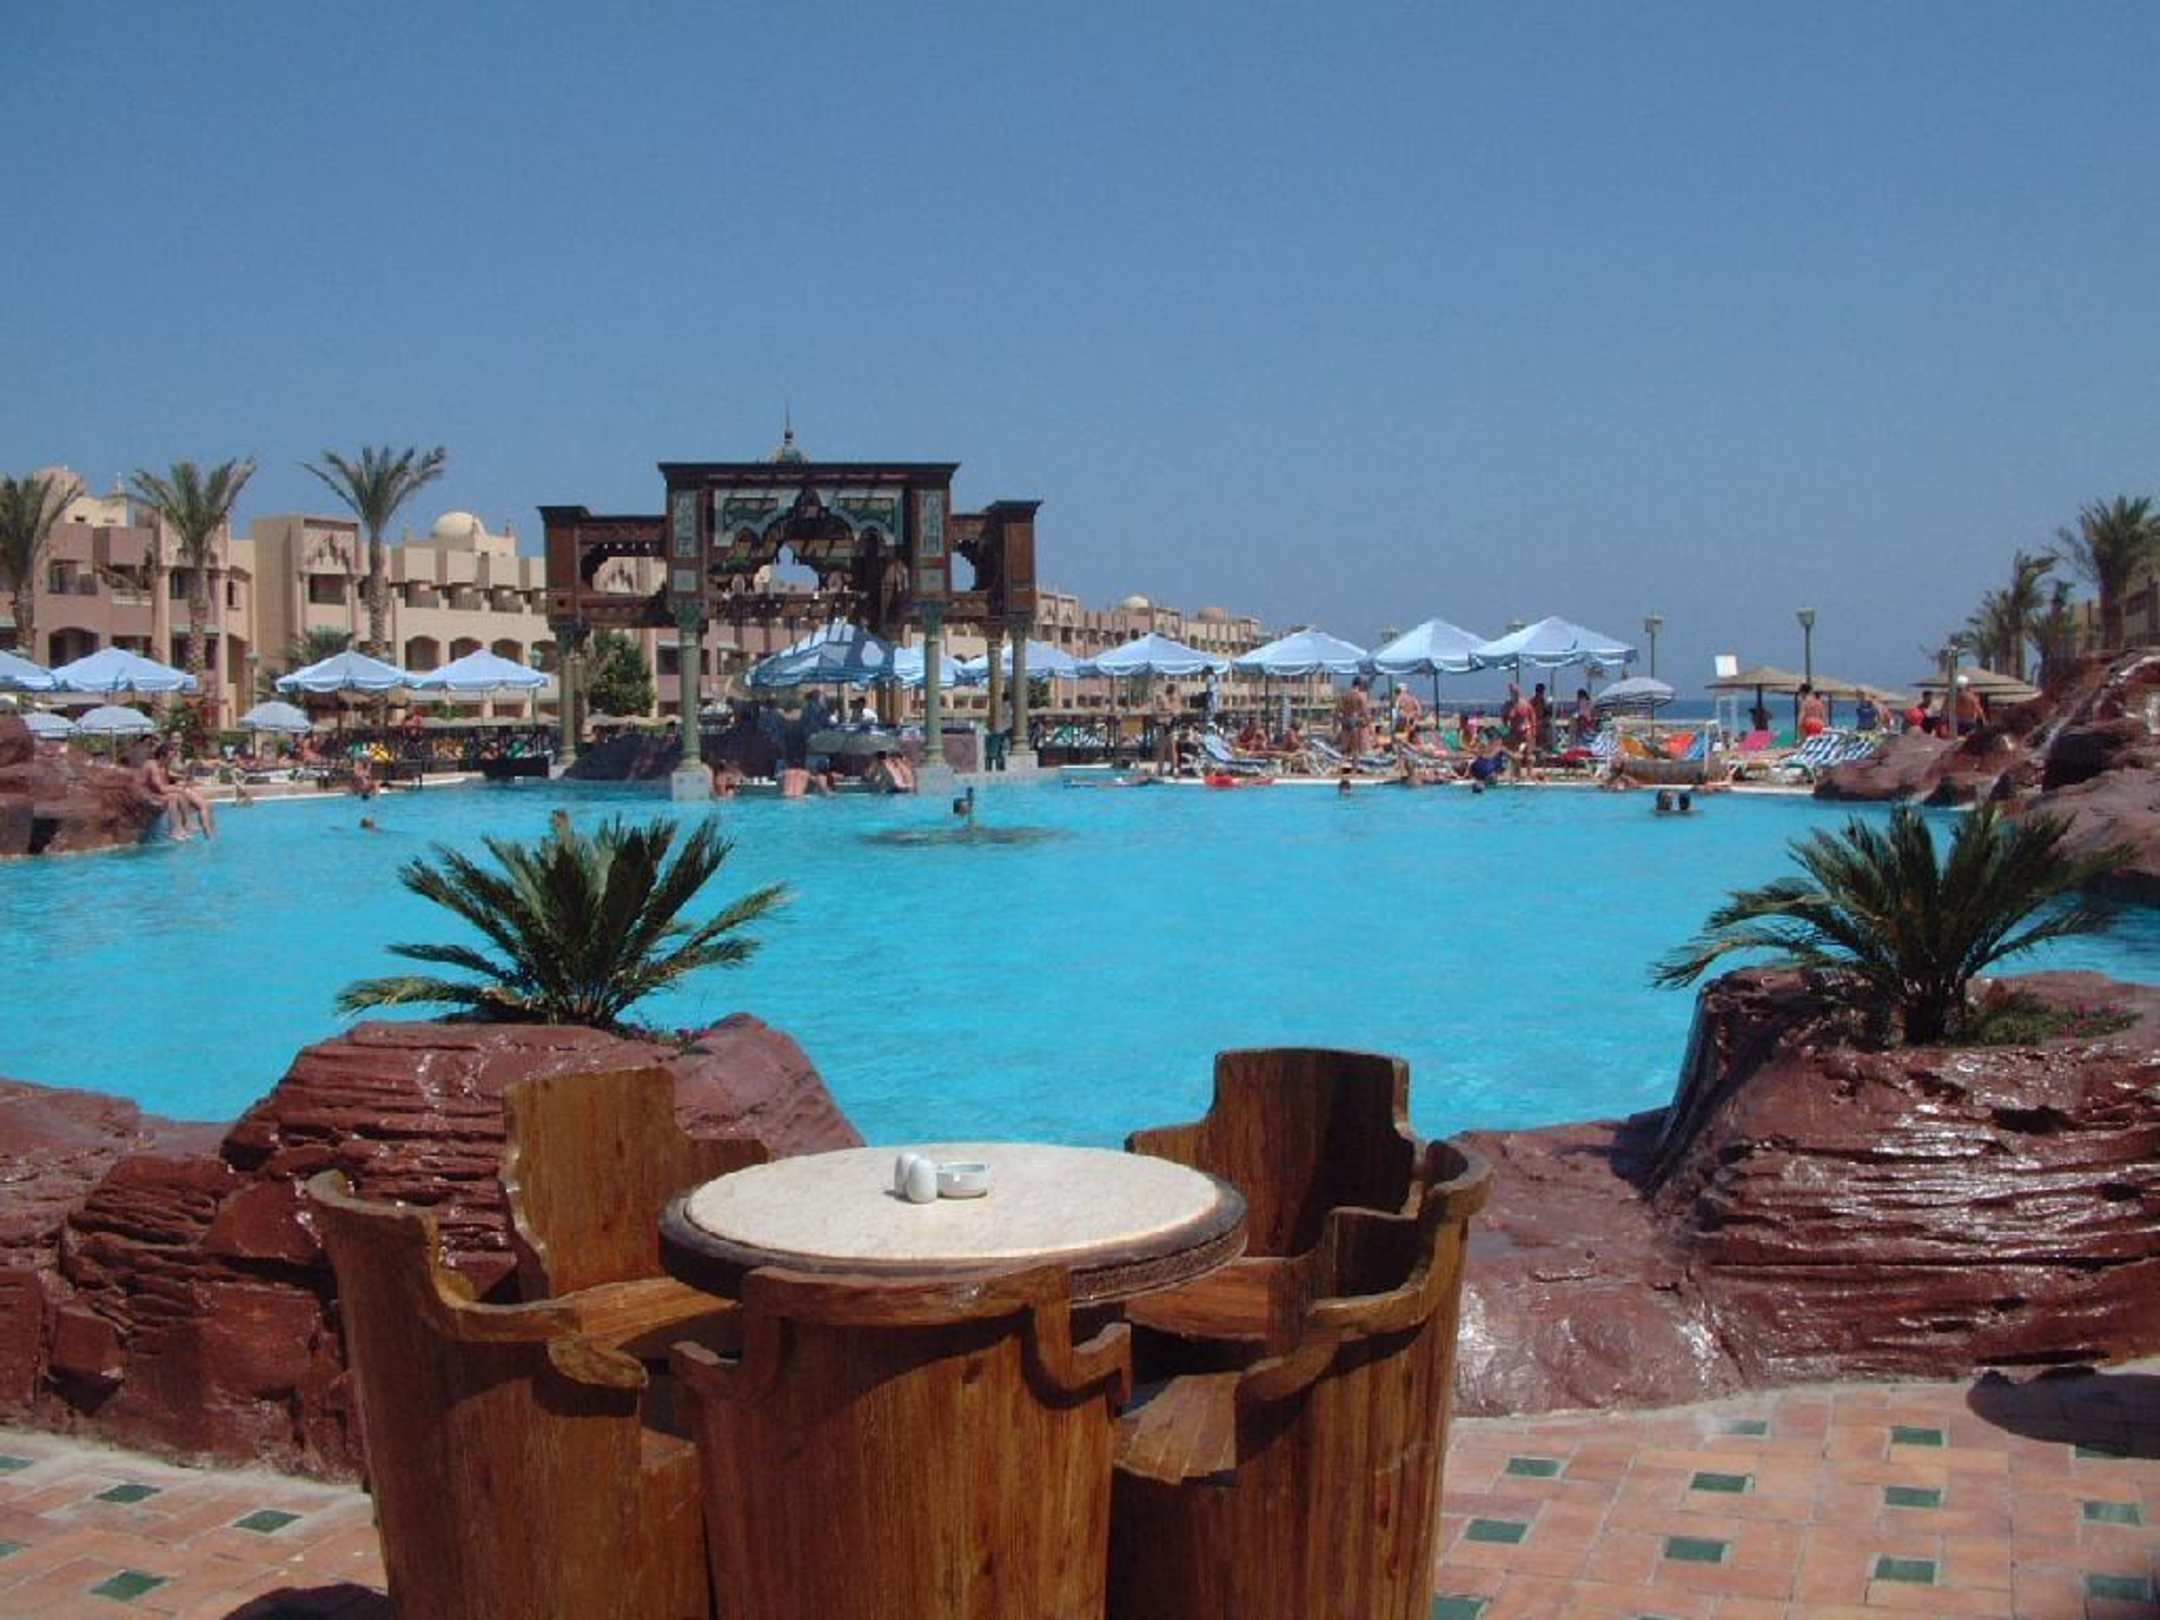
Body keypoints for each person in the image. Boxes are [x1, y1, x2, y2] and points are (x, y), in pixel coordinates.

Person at [1336, 677, 1372, 758]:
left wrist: (1340, 720)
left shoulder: (1345, 695)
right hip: (1355, 721)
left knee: (1345, 744)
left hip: (1346, 720)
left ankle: (1345, 753)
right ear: (1360, 685)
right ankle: (1360, 752)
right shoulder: (1359, 696)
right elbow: (1365, 712)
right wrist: (1368, 723)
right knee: (1363, 727)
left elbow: (1338, 710)